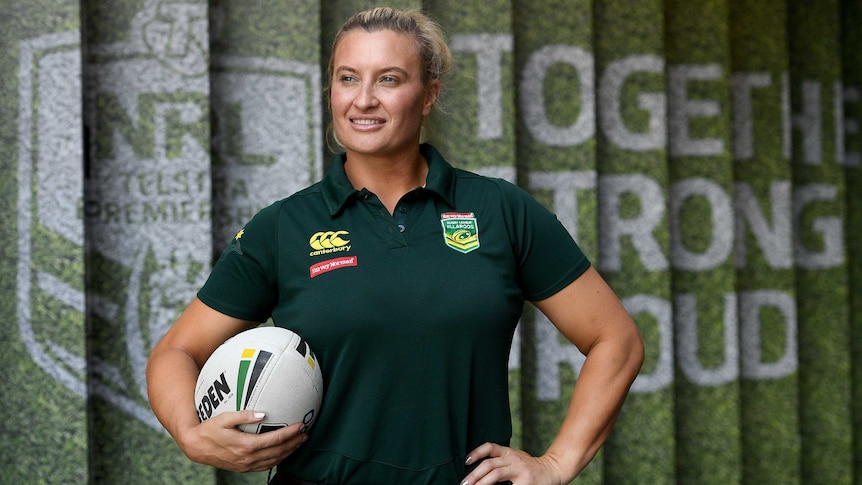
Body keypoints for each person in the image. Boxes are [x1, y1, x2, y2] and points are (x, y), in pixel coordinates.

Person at [146, 6, 644, 485]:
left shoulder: (500, 210)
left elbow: (615, 340)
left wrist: (557, 463)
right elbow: (176, 351)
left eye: (388, 78)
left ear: (429, 95)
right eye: (347, 77)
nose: (363, 99)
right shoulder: (284, 226)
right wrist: (191, 435)